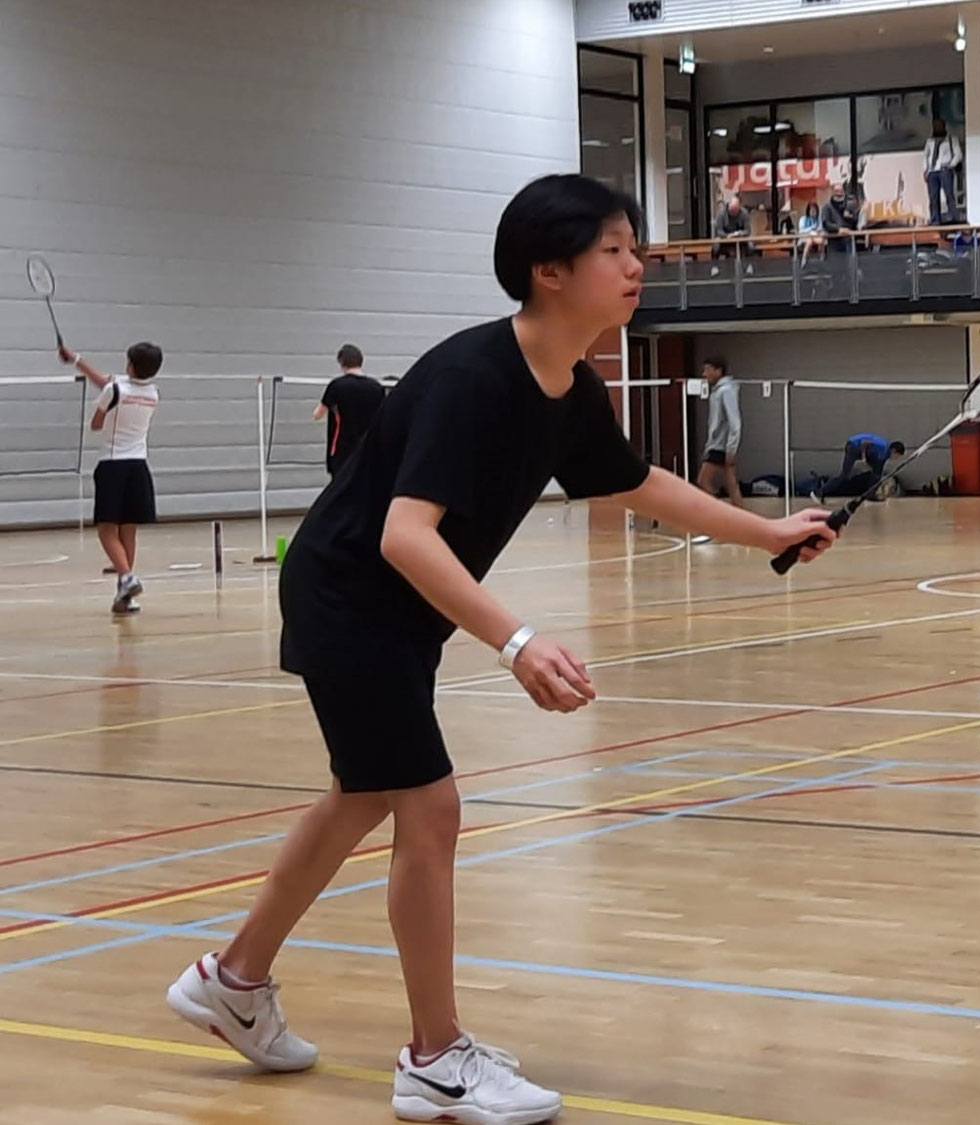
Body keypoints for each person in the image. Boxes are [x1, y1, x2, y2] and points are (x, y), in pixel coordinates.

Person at [162, 174, 837, 1125]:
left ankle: (233, 980)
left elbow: (634, 480)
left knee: (366, 794)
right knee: (429, 807)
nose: (637, 264)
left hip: (387, 607)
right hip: (352, 595)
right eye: (615, 249)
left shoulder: (568, 385)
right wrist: (515, 641)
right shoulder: (472, 377)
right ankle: (434, 1059)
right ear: (549, 271)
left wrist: (764, 532)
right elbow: (405, 533)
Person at [60, 341, 162, 615]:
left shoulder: (113, 391)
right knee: (128, 529)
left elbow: (96, 423)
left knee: (106, 529)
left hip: (113, 466)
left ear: (130, 364)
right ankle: (126, 593)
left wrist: (105, 411)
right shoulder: (153, 393)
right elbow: (108, 383)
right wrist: (76, 359)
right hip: (138, 467)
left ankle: (127, 578)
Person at [314, 344, 387, 479]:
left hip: (342, 451)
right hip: (368, 449)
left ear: (341, 362)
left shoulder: (336, 386)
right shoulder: (376, 388)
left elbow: (317, 415)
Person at [697, 356, 745, 509]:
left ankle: (720, 514)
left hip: (720, 446)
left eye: (708, 370)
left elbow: (734, 422)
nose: (704, 374)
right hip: (718, 444)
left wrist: (731, 449)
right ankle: (742, 519)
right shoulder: (717, 391)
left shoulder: (726, 391)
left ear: (718, 371)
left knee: (703, 481)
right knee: (731, 485)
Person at [815, 433, 905, 499]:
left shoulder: (886, 455)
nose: (896, 459)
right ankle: (822, 490)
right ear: (894, 451)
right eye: (897, 456)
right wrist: (863, 458)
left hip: (868, 452)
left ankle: (870, 494)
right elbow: (864, 443)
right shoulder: (881, 445)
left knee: (877, 474)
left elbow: (879, 466)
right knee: (844, 475)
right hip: (854, 446)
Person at [923, 118, 963, 226]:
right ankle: (935, 220)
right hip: (932, 172)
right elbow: (925, 156)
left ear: (944, 127)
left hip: (945, 170)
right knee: (933, 198)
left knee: (949, 195)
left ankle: (954, 218)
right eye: (935, 126)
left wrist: (950, 165)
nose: (937, 128)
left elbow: (958, 155)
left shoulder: (951, 139)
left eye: (939, 126)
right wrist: (926, 170)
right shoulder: (930, 141)